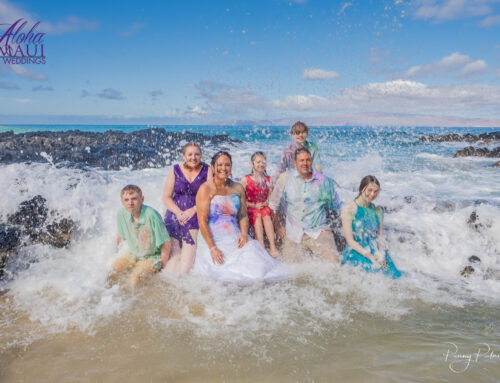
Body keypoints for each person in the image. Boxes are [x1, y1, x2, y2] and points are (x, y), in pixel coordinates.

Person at [193, 151, 288, 283]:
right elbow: (201, 221)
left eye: (227, 165)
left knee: (257, 268)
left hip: (236, 236)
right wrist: (212, 248)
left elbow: (243, 215)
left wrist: (244, 234)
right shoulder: (205, 189)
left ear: (231, 167)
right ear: (213, 167)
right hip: (214, 239)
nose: (223, 168)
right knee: (220, 273)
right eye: (219, 164)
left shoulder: (237, 188)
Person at [269, 148, 342, 263]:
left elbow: (337, 205)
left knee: (335, 265)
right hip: (293, 233)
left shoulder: (323, 181)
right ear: (295, 163)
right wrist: (278, 226)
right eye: (301, 160)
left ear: (311, 161)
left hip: (318, 231)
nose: (305, 163)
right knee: (290, 271)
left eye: (308, 160)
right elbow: (274, 204)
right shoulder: (285, 178)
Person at [162, 142, 210, 276]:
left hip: (196, 213)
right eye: (190, 154)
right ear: (183, 156)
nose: (193, 157)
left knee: (187, 260)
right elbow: (166, 197)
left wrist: (193, 210)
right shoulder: (175, 169)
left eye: (197, 154)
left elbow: (210, 196)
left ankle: (182, 281)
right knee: (174, 254)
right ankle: (168, 286)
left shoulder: (208, 170)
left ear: (201, 155)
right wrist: (178, 213)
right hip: (174, 214)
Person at [341, 175, 402, 279]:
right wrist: (370, 257)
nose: (372, 194)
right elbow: (350, 241)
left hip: (375, 250)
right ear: (362, 189)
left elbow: (380, 237)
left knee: (394, 275)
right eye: (369, 190)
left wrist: (382, 255)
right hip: (357, 251)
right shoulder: (349, 209)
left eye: (376, 191)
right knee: (374, 273)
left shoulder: (377, 211)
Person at [110, 185, 171, 286]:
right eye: (126, 200)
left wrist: (163, 269)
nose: (130, 203)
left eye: (134, 198)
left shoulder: (152, 215)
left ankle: (132, 300)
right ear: (122, 202)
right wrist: (116, 254)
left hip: (151, 257)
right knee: (113, 272)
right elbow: (120, 237)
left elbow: (166, 243)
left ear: (142, 199)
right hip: (132, 254)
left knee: (134, 278)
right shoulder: (121, 214)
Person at [240, 152, 279, 257]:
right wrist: (254, 205)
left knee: (265, 211)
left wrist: (265, 203)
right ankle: (261, 244)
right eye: (258, 162)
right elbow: (240, 199)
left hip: (263, 208)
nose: (261, 164)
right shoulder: (246, 180)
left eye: (263, 162)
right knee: (257, 212)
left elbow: (270, 198)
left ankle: (272, 246)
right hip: (251, 208)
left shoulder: (268, 180)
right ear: (251, 164)